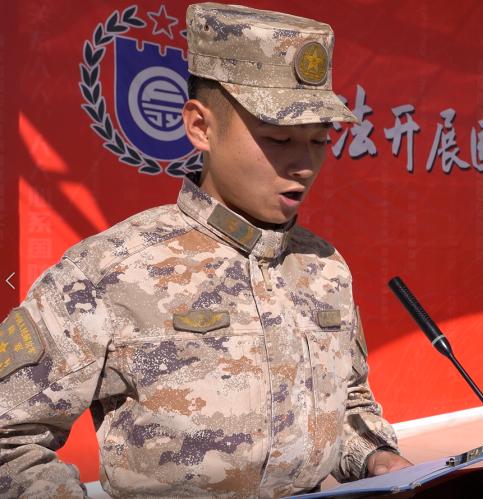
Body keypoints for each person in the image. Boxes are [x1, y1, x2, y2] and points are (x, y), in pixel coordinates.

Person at [0, 4, 412, 496]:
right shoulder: (108, 272)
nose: (304, 164)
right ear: (200, 127)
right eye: (279, 138)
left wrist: (375, 457)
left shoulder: (324, 268)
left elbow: (348, 402)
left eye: (319, 141)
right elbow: (8, 439)